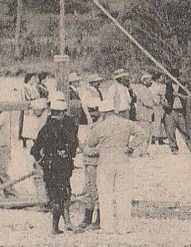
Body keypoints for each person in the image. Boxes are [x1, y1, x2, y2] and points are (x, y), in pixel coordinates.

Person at [83, 104, 148, 233]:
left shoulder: (99, 127)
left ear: (103, 113)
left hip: (105, 162)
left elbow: (89, 144)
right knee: (123, 194)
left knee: (105, 195)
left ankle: (107, 227)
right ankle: (124, 226)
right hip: (123, 160)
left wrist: (97, 149)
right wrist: (131, 146)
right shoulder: (126, 123)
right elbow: (142, 134)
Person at [31, 96, 80, 233]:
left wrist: (42, 161)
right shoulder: (67, 127)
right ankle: (65, 223)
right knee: (65, 194)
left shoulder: (45, 128)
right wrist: (68, 154)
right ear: (63, 112)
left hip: (49, 165)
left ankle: (55, 227)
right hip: (63, 165)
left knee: (54, 196)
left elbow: (34, 150)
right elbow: (73, 144)